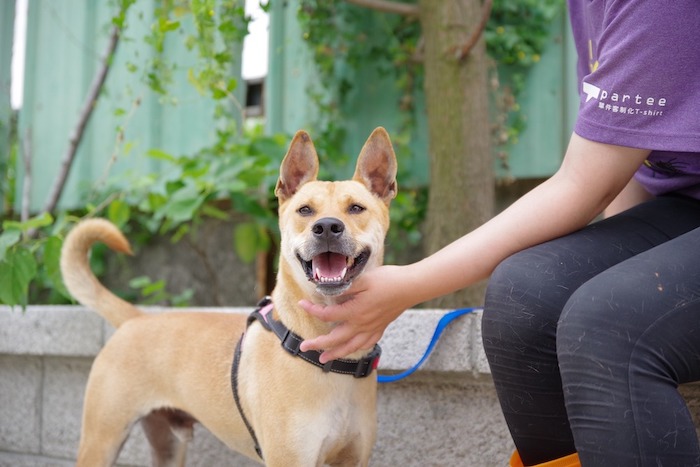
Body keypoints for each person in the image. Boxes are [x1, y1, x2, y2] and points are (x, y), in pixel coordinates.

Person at [299, 0, 700, 465]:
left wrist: (410, 283)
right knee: (522, 297)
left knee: (606, 322)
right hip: (682, 207)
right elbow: (623, 154)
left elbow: (584, 184)